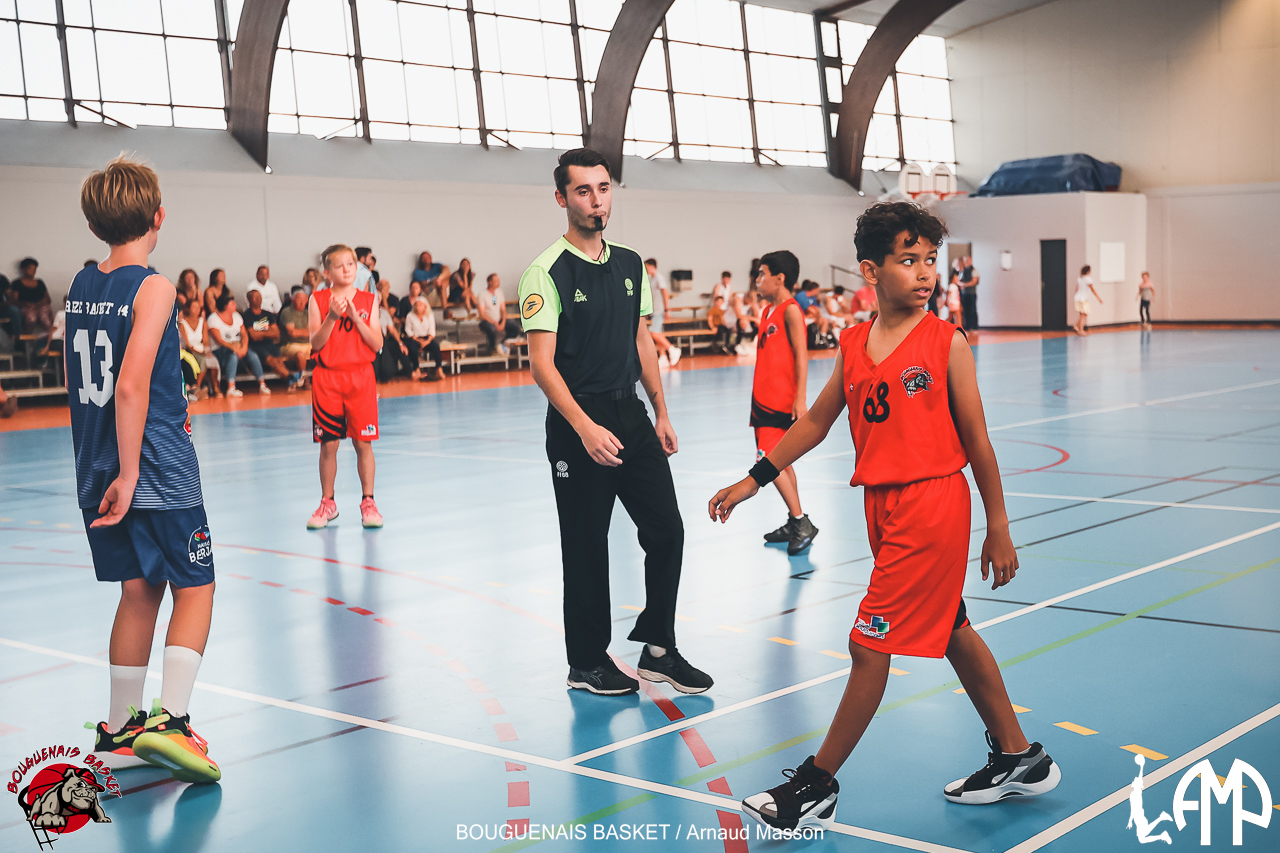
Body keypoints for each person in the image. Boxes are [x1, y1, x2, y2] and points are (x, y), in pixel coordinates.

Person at [710, 202, 1059, 831]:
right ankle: (1018, 756)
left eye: (930, 260)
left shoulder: (947, 343)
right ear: (871, 270)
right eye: (908, 260)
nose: (924, 273)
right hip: (881, 504)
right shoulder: (853, 344)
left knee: (867, 644)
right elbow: (816, 422)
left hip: (932, 504)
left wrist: (999, 526)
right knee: (950, 626)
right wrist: (753, 480)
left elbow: (979, 442)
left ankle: (815, 785)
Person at [519, 147, 712, 697]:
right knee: (586, 544)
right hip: (577, 420)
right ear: (562, 198)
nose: (596, 200)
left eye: (603, 189)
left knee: (667, 530)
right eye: (583, 191)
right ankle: (586, 662)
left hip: (630, 413)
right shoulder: (545, 272)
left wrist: (660, 410)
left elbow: (641, 340)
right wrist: (583, 427)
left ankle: (658, 649)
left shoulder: (630, 264)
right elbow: (541, 365)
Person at [70, 157, 220, 783]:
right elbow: (130, 386)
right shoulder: (153, 287)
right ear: (159, 216)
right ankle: (174, 721)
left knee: (138, 591)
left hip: (93, 461)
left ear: (94, 225)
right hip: (153, 464)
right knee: (196, 586)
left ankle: (118, 730)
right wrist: (132, 475)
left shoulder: (81, 283)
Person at [306, 244, 384, 530]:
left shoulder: (368, 300)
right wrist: (332, 317)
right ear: (327, 272)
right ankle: (328, 503)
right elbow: (315, 343)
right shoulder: (317, 299)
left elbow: (377, 344)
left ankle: (368, 502)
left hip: (360, 378)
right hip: (327, 380)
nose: (347, 269)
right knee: (329, 444)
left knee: (363, 442)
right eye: (340, 265)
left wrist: (355, 318)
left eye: (351, 264)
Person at [751, 251, 818, 556]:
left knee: (767, 460)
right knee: (782, 463)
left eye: (762, 274)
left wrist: (800, 399)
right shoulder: (768, 311)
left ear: (779, 278)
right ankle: (795, 519)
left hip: (780, 402)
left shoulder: (791, 310)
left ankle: (801, 522)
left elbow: (802, 356)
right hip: (761, 400)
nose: (757, 280)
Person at [208, 292, 265, 397]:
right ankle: (231, 387)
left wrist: (244, 347)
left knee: (252, 355)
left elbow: (244, 335)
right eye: (232, 303)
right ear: (225, 306)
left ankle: (262, 384)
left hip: (238, 346)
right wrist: (234, 348)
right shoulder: (213, 319)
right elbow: (218, 340)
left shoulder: (237, 316)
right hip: (220, 349)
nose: (235, 305)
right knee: (233, 356)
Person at [242, 289, 289, 385]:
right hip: (256, 346)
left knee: (279, 361)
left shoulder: (268, 314)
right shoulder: (247, 316)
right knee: (273, 361)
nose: (259, 299)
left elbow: (276, 333)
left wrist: (260, 333)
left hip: (270, 344)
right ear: (249, 300)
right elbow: (253, 336)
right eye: (256, 297)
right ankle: (292, 378)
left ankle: (290, 379)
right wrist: (268, 331)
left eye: (260, 297)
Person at [178, 296, 217, 399]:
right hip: (189, 351)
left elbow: (206, 341)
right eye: (194, 307)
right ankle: (197, 387)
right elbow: (186, 344)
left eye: (199, 307)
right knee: (202, 360)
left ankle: (213, 389)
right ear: (188, 309)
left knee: (211, 360)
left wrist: (207, 351)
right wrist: (199, 353)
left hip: (201, 349)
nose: (197, 310)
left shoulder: (203, 322)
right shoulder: (182, 324)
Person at [644, 259, 680, 365]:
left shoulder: (659, 278)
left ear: (651, 266)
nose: (645, 268)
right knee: (657, 333)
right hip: (653, 310)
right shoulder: (650, 278)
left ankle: (672, 349)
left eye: (646, 266)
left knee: (653, 333)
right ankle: (663, 356)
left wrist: (667, 309)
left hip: (659, 310)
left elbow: (665, 293)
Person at [477, 273, 521, 355]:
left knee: (516, 328)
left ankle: (503, 344)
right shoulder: (482, 295)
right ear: (489, 282)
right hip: (487, 321)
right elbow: (482, 314)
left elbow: (503, 309)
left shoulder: (499, 293)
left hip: (499, 319)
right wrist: (494, 322)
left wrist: (503, 322)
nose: (498, 282)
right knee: (492, 329)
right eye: (496, 281)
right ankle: (492, 349)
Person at [404, 297, 444, 381]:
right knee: (412, 348)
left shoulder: (430, 315)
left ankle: (439, 369)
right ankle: (416, 369)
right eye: (417, 305)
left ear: (425, 307)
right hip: (415, 338)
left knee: (436, 347)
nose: (418, 307)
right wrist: (418, 340)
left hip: (427, 338)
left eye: (420, 305)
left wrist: (427, 341)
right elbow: (408, 330)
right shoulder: (410, 316)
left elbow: (432, 330)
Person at [279, 286, 312, 390]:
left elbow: (312, 332)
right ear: (292, 299)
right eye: (299, 300)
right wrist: (305, 332)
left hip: (308, 344)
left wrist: (300, 332)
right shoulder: (286, 312)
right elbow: (292, 333)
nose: (302, 303)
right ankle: (305, 379)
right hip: (290, 345)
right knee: (300, 355)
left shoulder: (308, 313)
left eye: (304, 300)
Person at [13, 257, 53, 339]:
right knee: (31, 317)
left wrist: (40, 303)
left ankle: (51, 338)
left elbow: (47, 299)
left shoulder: (39, 282)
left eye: (35, 269)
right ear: (23, 269)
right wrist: (27, 304)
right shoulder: (17, 283)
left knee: (44, 317)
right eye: (30, 269)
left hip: (40, 306)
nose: (33, 271)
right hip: (26, 307)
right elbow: (14, 300)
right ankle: (27, 338)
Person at [796, 279, 833, 346]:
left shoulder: (813, 298)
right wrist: (815, 315)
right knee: (813, 319)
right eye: (817, 290)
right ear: (814, 289)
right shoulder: (801, 295)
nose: (818, 292)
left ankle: (822, 337)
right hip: (801, 317)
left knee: (825, 320)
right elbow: (809, 310)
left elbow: (816, 309)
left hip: (812, 317)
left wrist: (817, 316)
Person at [1074, 264, 1102, 335]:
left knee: (1082, 314)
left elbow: (1076, 289)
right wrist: (1099, 298)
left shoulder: (1079, 279)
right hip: (1083, 299)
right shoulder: (1088, 279)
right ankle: (1081, 330)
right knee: (1084, 314)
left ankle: (1077, 326)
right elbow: (1093, 290)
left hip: (1077, 298)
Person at [959, 255, 979, 329]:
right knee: (965, 310)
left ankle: (974, 326)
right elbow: (958, 280)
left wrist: (965, 285)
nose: (966, 262)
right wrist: (961, 284)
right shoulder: (962, 271)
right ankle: (967, 326)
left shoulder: (974, 270)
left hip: (971, 294)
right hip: (964, 294)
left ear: (970, 261)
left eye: (967, 260)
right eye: (964, 261)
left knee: (972, 310)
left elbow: (974, 281)